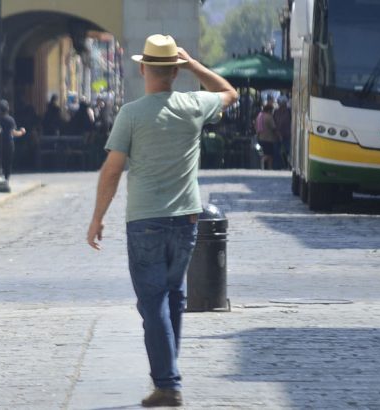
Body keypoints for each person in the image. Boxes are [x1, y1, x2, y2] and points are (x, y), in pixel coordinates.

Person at [86, 35, 237, 408]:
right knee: (174, 296)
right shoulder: (193, 105)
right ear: (174, 70)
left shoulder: (132, 114)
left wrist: (97, 218)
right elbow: (229, 92)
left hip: (145, 220)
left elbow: (111, 171)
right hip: (187, 218)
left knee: (153, 302)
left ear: (142, 69)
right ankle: (167, 375)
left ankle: (168, 383)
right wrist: (193, 66)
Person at [0, 99, 26, 181]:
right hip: (8, 143)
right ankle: (6, 178)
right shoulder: (10, 120)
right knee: (8, 162)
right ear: (7, 108)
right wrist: (22, 132)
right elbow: (14, 133)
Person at [255, 104, 279, 170]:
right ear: (269, 110)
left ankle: (264, 165)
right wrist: (278, 135)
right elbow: (273, 127)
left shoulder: (259, 116)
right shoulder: (269, 117)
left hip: (260, 138)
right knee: (270, 154)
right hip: (268, 139)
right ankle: (269, 166)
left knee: (262, 152)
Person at [273, 95, 292, 169]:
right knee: (277, 152)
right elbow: (274, 122)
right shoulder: (276, 112)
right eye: (279, 103)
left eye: (282, 103)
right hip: (277, 135)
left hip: (287, 135)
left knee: (287, 151)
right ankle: (278, 167)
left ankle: (287, 166)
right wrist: (277, 132)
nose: (280, 104)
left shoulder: (289, 111)